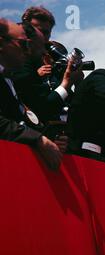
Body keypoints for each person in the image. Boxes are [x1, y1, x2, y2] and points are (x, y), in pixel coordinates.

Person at [0, 19, 62, 170]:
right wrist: (38, 140)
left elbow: (15, 119)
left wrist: (50, 139)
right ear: (1, 43)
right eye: (23, 44)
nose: (28, 52)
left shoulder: (8, 79)